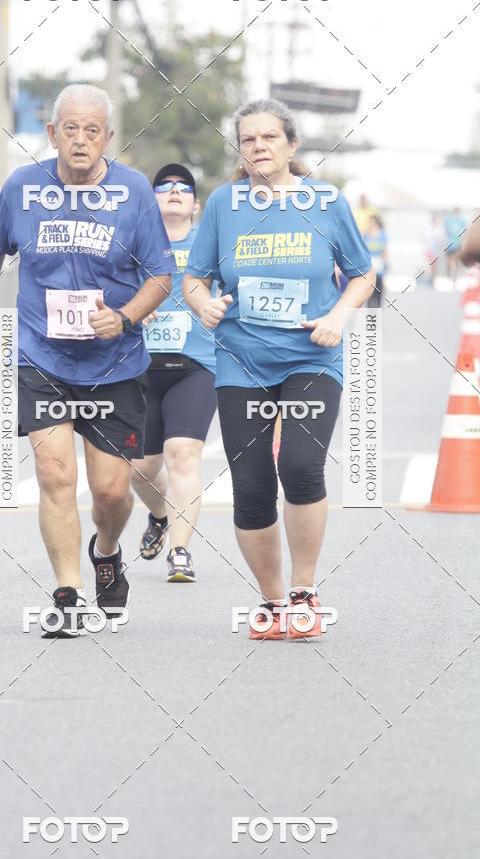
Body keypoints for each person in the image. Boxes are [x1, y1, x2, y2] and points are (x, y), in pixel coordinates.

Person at [0, 84, 174, 637]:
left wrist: (125, 317)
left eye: (92, 130)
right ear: (52, 134)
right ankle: (69, 592)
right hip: (41, 357)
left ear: (107, 137)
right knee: (54, 474)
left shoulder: (132, 192)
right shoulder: (23, 187)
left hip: (115, 363)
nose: (80, 140)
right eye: (70, 129)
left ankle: (106, 552)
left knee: (109, 491)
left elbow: (161, 276)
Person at [183, 98, 375, 640]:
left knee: (300, 466)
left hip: (312, 355)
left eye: (269, 138)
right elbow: (193, 278)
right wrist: (204, 305)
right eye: (248, 140)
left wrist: (339, 315)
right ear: (240, 151)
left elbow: (362, 273)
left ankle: (304, 592)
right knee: (250, 484)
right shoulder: (224, 203)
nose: (259, 147)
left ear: (291, 146)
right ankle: (270, 601)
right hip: (242, 359)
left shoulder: (325, 201)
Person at [130, 164, 217, 582]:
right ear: (152, 200)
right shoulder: (133, 240)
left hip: (195, 367)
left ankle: (180, 551)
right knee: (138, 468)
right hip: (139, 368)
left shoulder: (211, 242)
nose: (175, 191)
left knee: (183, 454)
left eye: (184, 187)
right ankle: (160, 515)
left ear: (196, 204)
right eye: (164, 186)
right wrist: (132, 309)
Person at [364, 215, 387, 308]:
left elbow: (385, 251)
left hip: (379, 268)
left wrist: (382, 260)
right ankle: (370, 316)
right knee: (369, 292)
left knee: (378, 291)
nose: (370, 224)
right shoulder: (366, 235)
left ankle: (378, 312)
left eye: (372, 222)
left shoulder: (382, 235)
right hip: (369, 268)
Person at [443, 207, 467, 281]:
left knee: (455, 261)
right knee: (449, 262)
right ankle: (449, 275)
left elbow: (465, 232)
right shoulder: (448, 220)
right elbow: (444, 232)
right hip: (449, 244)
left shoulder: (462, 220)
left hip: (457, 244)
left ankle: (454, 278)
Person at [423, 211, 445, 285]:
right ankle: (430, 278)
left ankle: (432, 278)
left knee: (435, 265)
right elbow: (425, 239)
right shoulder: (427, 228)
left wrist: (442, 248)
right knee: (431, 264)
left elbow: (442, 239)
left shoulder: (439, 228)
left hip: (437, 249)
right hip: (430, 249)